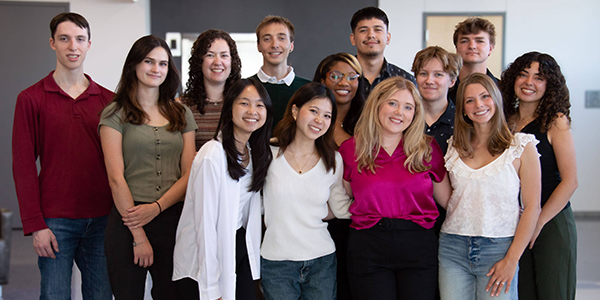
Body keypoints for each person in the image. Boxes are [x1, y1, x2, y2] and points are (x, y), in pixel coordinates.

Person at [12, 12, 113, 299]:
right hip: (55, 222)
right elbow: (23, 167)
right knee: (55, 295)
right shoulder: (30, 99)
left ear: (89, 44)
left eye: (80, 39)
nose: (73, 46)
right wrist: (35, 225)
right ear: (52, 43)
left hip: (103, 219)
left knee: (102, 296)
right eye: (64, 39)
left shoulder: (109, 100)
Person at [99, 35, 197, 299]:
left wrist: (156, 208)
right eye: (149, 61)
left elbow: (189, 173)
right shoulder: (114, 113)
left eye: (163, 64)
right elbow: (115, 178)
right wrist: (138, 235)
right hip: (127, 219)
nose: (156, 69)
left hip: (172, 219)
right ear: (134, 65)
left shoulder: (181, 113)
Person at [338, 77, 451, 300]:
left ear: (415, 114)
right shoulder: (351, 149)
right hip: (368, 246)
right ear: (377, 104)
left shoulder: (427, 149)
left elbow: (449, 202)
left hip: (418, 246)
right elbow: (347, 196)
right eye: (393, 103)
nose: (399, 112)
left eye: (408, 107)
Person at [439, 73, 541, 300]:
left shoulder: (521, 146)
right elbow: (450, 199)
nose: (479, 105)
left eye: (485, 96)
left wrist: (512, 259)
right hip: (453, 246)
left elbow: (533, 207)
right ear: (463, 109)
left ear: (496, 99)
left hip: (500, 248)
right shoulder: (454, 147)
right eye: (470, 100)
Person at [172, 78, 274, 300]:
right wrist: (211, 288)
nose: (252, 111)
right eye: (244, 103)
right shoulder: (212, 155)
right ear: (229, 109)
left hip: (237, 244)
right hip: (204, 257)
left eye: (259, 105)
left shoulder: (253, 152)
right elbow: (205, 224)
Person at [261, 82, 352, 300]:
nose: (320, 121)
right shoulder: (267, 154)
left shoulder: (334, 160)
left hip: (322, 260)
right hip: (276, 262)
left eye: (327, 116)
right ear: (294, 111)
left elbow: (341, 209)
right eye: (313, 111)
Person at [500, 52, 578, 300]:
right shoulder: (504, 121)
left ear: (549, 85)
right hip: (515, 223)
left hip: (550, 221)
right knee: (522, 293)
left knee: (553, 292)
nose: (529, 82)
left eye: (539, 77)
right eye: (523, 74)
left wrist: (538, 222)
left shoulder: (555, 122)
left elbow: (570, 181)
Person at [312, 52, 365, 300]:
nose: (344, 82)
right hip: (311, 219)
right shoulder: (308, 119)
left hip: (352, 222)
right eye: (336, 76)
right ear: (322, 80)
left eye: (352, 77)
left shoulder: (368, 125)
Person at [180, 29, 242, 150]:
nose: (218, 62)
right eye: (210, 55)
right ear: (199, 62)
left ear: (232, 61)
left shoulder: (242, 104)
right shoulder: (181, 106)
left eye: (224, 55)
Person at [250, 15, 310, 127]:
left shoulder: (308, 89)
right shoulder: (245, 87)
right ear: (258, 46)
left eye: (281, 38)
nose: (274, 45)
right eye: (267, 39)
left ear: (291, 45)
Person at [349, 7, 416, 98]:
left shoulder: (405, 80)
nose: (371, 35)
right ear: (353, 39)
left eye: (377, 30)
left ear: (388, 38)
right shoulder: (340, 78)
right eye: (363, 30)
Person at [448, 17, 499, 104]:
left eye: (479, 41)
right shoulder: (444, 89)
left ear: (490, 49)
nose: (472, 46)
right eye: (464, 41)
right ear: (456, 48)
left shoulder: (503, 90)